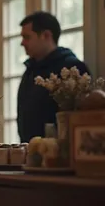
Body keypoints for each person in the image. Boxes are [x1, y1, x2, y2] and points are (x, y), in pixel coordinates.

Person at [16, 11, 89, 142]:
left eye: (27, 37)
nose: (22, 43)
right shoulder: (30, 71)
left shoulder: (72, 69)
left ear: (46, 35)